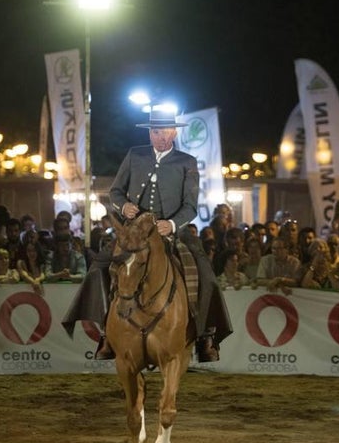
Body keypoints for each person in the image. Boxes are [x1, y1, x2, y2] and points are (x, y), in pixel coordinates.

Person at [64, 105, 231, 362]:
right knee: (100, 265)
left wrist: (172, 224)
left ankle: (205, 334)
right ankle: (106, 332)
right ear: (149, 134)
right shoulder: (134, 155)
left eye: (164, 132)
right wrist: (124, 206)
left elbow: (190, 206)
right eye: (155, 133)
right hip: (134, 231)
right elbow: (115, 192)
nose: (160, 138)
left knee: (203, 269)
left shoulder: (187, 162)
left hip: (171, 232)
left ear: (174, 133)